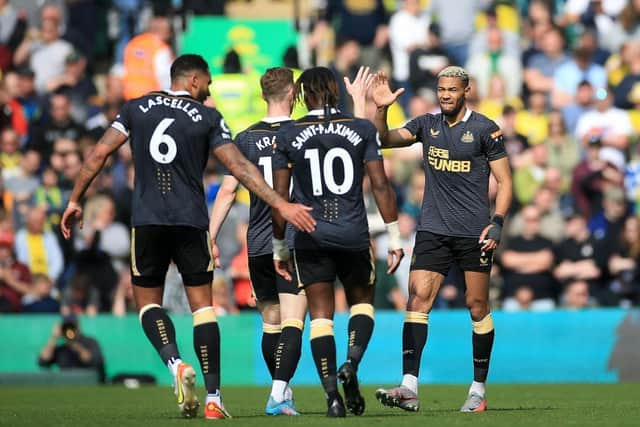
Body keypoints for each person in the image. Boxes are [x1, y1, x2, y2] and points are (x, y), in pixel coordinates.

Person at [59, 54, 315, 420]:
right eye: (207, 83)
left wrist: (74, 199)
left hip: (147, 221)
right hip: (191, 222)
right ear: (194, 80)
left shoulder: (136, 107)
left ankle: (174, 362)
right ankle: (213, 397)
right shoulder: (208, 117)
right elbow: (239, 167)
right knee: (204, 309)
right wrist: (280, 203)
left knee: (148, 303)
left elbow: (99, 153)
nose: (209, 91)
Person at [351, 66, 512, 412]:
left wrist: (497, 222)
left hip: (474, 232)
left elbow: (505, 182)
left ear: (466, 90)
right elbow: (384, 140)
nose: (445, 95)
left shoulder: (486, 129)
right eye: (441, 89)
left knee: (477, 306)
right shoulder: (427, 125)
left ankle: (478, 390)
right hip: (433, 230)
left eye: (452, 90)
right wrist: (380, 109)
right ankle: (409, 387)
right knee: (416, 301)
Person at [272, 66, 404, 417]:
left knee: (320, 318)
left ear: (301, 94)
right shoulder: (359, 128)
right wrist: (393, 236)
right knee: (362, 304)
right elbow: (380, 185)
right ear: (333, 90)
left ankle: (332, 398)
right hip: (353, 235)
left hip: (310, 237)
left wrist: (279, 247)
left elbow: (280, 196)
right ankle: (351, 362)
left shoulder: (287, 133)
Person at [209, 67, 307, 416]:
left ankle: (282, 391)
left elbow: (227, 191)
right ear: (293, 94)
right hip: (295, 240)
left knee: (271, 322)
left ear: (263, 96)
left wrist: (211, 236)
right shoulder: (303, 134)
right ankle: (279, 392)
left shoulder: (245, 138)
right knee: (295, 319)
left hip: (259, 241)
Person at [38, 314, 105, 383]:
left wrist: (77, 347)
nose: (69, 330)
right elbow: (43, 361)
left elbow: (96, 362)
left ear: (78, 327)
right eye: (66, 327)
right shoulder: (61, 348)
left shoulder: (90, 342)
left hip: (88, 383)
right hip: (66, 385)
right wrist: (53, 337)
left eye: (72, 327)